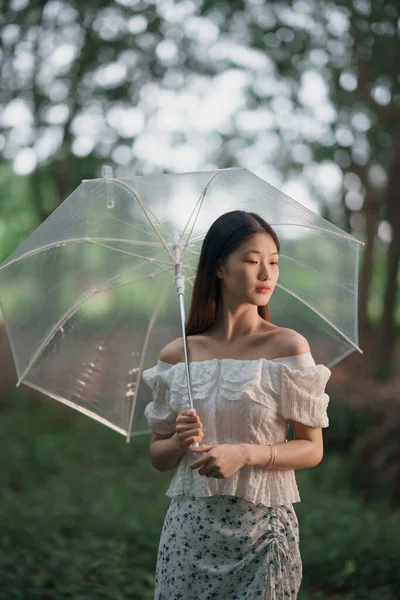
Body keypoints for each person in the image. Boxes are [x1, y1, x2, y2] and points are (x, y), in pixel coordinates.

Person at [142, 210, 332, 599]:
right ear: (220, 269)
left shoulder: (287, 348)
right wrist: (179, 442)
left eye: (274, 262)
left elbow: (312, 448)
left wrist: (245, 453)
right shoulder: (178, 356)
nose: (266, 274)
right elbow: (158, 457)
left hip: (262, 537)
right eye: (251, 261)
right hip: (187, 537)